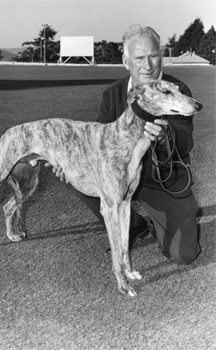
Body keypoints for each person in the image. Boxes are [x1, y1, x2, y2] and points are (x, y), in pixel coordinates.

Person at [48, 24, 201, 265]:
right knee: (78, 173)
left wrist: (164, 137)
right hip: (120, 177)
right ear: (126, 61)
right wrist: (66, 163)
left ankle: (177, 214)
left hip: (163, 183)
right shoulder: (114, 94)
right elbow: (97, 147)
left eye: (153, 56)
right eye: (139, 58)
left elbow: (185, 143)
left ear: (161, 56)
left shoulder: (176, 91)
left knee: (184, 254)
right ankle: (135, 227)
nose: (147, 65)